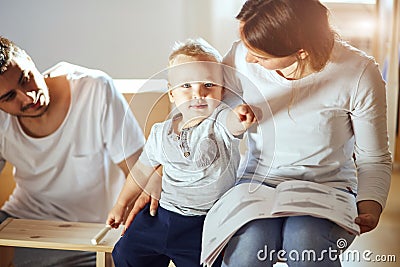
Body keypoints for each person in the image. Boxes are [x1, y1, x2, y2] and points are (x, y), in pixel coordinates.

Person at [127, 1, 392, 267]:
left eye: (262, 56)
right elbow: (195, 110)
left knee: (303, 242)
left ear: (301, 51)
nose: (250, 58)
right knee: (248, 250)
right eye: (245, 45)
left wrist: (371, 204)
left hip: (326, 186)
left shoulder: (359, 73)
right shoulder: (241, 56)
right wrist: (162, 171)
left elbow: (373, 157)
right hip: (256, 185)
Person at [106, 38, 256, 267]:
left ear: (222, 90)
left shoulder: (218, 122)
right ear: (171, 93)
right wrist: (121, 204)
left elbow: (232, 124)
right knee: (125, 253)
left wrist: (240, 118)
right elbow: (141, 170)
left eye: (208, 85)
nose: (198, 94)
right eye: (186, 86)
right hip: (161, 214)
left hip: (203, 223)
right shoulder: (160, 132)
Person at [0, 36, 145, 266]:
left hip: (95, 230)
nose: (28, 96)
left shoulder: (94, 88)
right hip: (24, 221)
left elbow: (140, 174)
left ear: (29, 59)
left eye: (26, 78)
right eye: (9, 97)